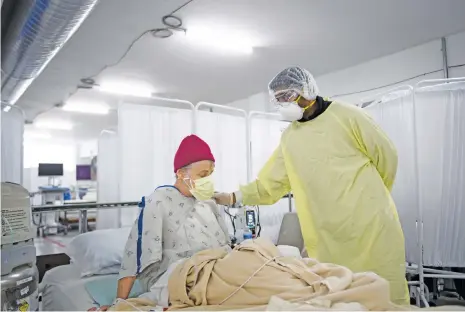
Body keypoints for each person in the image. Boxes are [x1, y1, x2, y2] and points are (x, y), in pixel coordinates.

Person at [214, 66, 409, 305]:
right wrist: (233, 197)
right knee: (338, 300)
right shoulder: (290, 138)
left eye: (287, 95)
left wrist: (373, 199)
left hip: (371, 229)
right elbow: (269, 184)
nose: (282, 103)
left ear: (307, 90)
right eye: (278, 99)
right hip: (327, 238)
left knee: (385, 299)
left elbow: (386, 157)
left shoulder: (349, 116)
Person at [91, 135, 230, 311]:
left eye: (210, 175)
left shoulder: (208, 202)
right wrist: (119, 303)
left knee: (259, 252)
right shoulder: (158, 202)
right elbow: (133, 256)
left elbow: (226, 246)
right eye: (202, 175)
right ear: (181, 173)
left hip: (217, 269)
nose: (207, 180)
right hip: (183, 276)